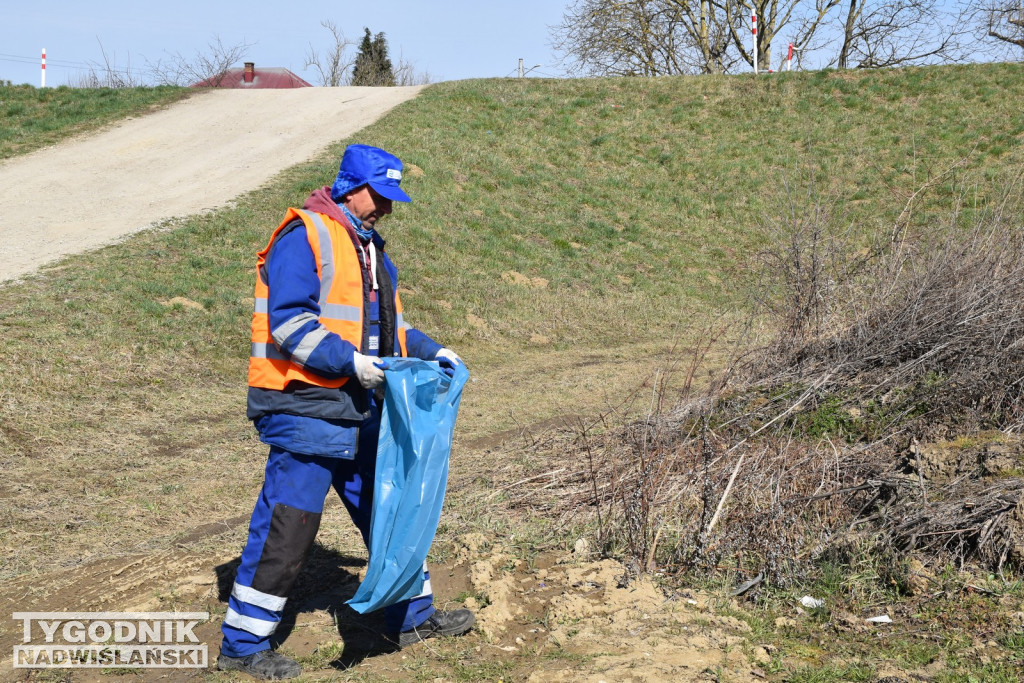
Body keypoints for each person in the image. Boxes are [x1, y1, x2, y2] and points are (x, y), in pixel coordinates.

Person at [217, 144, 474, 680]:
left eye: (392, 199)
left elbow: (389, 332)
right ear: (349, 187)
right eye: (379, 196)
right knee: (289, 526)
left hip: (358, 407)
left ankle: (411, 617)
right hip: (305, 407)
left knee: (390, 513)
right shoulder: (304, 235)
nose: (386, 207)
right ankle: (243, 646)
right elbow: (289, 325)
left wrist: (432, 351)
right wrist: (350, 363)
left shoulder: (372, 250)